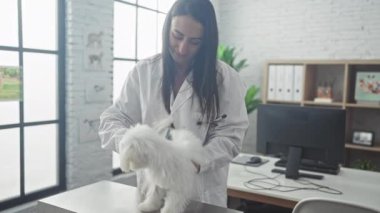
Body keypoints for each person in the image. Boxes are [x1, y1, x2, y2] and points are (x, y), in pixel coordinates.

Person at [99, 0, 249, 207]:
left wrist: (196, 161)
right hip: (151, 194)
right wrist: (134, 145)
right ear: (167, 27)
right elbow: (112, 119)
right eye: (177, 35)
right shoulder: (143, 72)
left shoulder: (225, 79)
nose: (182, 48)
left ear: (206, 41)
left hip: (203, 198)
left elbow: (231, 136)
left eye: (194, 41)